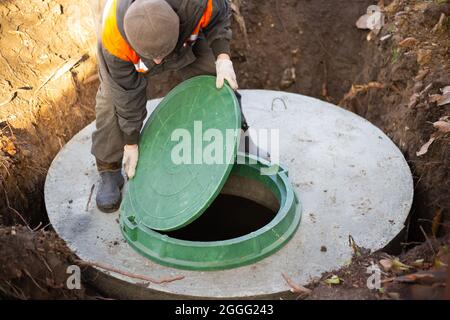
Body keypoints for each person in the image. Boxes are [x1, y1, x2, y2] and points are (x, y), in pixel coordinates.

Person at [92, 0, 259, 213]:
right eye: (156, 57)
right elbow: (127, 97)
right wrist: (130, 142)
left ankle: (238, 140)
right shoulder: (114, 40)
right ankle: (109, 168)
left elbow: (219, 17)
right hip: (134, 52)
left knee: (215, 81)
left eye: (162, 55)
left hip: (184, 39)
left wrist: (222, 57)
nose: (160, 62)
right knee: (111, 103)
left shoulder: (197, 4)